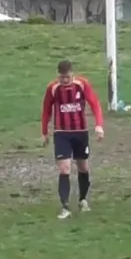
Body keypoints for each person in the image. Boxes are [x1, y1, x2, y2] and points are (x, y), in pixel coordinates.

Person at [41, 60, 104, 220]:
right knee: (64, 168)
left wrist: (99, 125)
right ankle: (65, 207)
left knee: (83, 167)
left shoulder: (82, 84)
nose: (64, 80)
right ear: (58, 76)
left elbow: (94, 103)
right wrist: (44, 132)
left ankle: (83, 199)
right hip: (61, 133)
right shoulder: (53, 88)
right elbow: (46, 110)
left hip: (80, 132)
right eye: (62, 77)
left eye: (67, 77)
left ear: (72, 74)